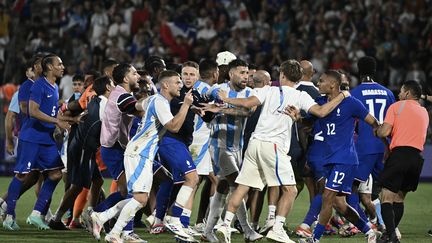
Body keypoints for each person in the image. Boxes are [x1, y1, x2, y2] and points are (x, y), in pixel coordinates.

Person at [211, 61, 350, 243]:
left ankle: (225, 224)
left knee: (243, 187)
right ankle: (277, 228)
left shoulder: (268, 90)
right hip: (273, 146)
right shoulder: (300, 96)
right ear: (298, 78)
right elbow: (322, 112)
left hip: (255, 144)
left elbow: (247, 103)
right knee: (290, 190)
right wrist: (342, 96)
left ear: (282, 75)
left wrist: (226, 99)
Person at [94, 70, 193, 243]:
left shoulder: (156, 100)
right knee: (139, 199)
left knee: (140, 199)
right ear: (165, 85)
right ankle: (114, 233)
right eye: (177, 82)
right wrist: (185, 105)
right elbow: (174, 127)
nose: (181, 85)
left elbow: (140, 105)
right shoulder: (160, 102)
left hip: (141, 152)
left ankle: (102, 217)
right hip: (139, 152)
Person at [298, 70, 381, 243]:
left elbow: (372, 121)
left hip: (345, 159)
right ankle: (369, 231)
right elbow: (308, 122)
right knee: (340, 204)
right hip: (328, 158)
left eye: (321, 81)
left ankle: (314, 238)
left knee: (327, 196)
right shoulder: (320, 103)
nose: (318, 83)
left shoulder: (351, 103)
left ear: (333, 85)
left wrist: (378, 132)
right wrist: (297, 118)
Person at [3, 54, 70, 230]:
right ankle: (9, 215)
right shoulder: (36, 85)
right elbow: (32, 111)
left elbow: (52, 112)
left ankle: (36, 214)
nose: (63, 67)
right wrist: (56, 122)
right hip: (32, 138)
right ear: (49, 67)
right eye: (59, 64)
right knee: (23, 175)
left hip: (46, 139)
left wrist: (69, 120)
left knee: (55, 174)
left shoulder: (54, 86)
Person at [201, 59, 262, 243]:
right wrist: (206, 111)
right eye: (242, 72)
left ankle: (207, 231)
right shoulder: (216, 90)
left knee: (223, 187)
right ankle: (247, 231)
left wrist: (222, 108)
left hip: (238, 146)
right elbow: (202, 106)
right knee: (237, 185)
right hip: (218, 145)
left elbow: (248, 112)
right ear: (231, 74)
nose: (246, 76)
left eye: (247, 73)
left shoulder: (251, 93)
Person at [48, 76, 113, 230]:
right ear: (108, 87)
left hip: (82, 146)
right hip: (83, 148)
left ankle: (89, 213)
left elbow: (73, 107)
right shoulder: (105, 105)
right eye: (112, 84)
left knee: (98, 181)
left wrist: (64, 111)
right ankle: (57, 219)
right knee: (77, 186)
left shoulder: (94, 100)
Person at [376, 80, 429, 243]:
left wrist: (377, 130)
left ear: (407, 93)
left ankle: (391, 236)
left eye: (401, 91)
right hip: (416, 158)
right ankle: (389, 235)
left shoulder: (397, 107)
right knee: (399, 199)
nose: (399, 94)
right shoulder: (424, 111)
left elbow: (384, 131)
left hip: (400, 155)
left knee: (386, 198)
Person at [350, 56, 396, 232]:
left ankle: (363, 224)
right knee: (386, 188)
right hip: (385, 146)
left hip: (363, 146)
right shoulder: (388, 92)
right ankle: (388, 225)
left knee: (350, 188)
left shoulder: (355, 93)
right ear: (375, 71)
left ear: (359, 71)